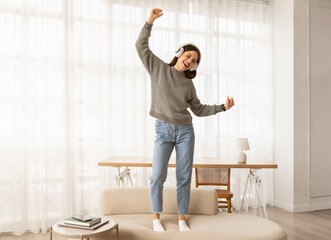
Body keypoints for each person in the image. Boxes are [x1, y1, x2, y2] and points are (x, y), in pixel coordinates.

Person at [135, 8, 235, 232]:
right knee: (157, 176)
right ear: (179, 53)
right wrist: (150, 21)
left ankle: (181, 219)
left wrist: (222, 107)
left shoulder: (188, 84)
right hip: (163, 130)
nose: (190, 60)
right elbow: (141, 47)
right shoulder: (158, 68)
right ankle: (156, 218)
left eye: (194, 60)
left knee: (183, 176)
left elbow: (198, 109)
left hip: (185, 132)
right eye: (188, 55)